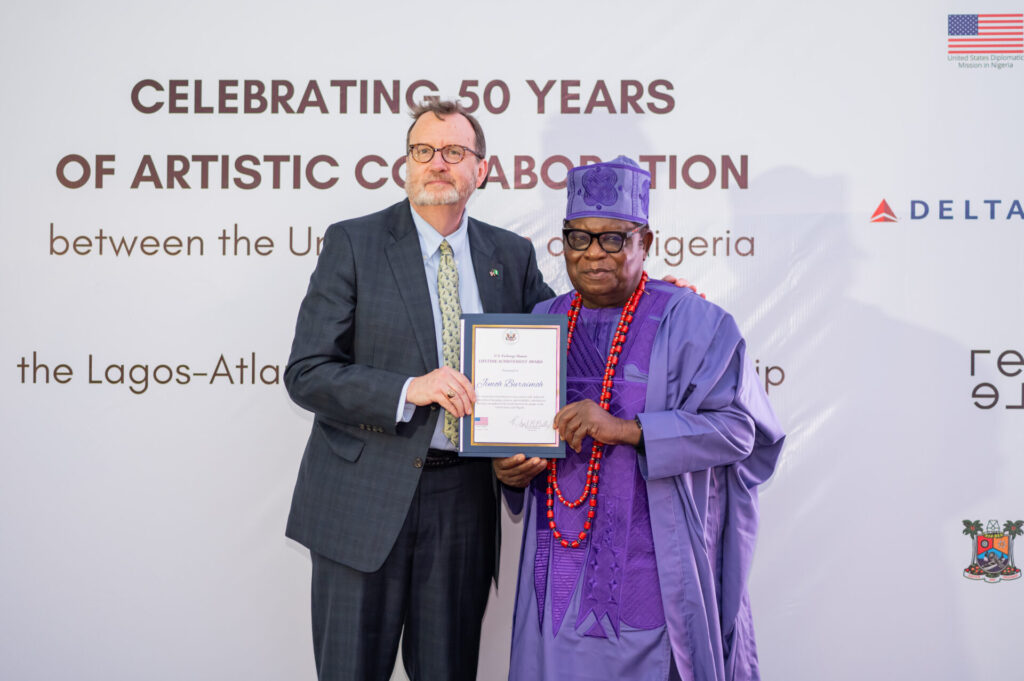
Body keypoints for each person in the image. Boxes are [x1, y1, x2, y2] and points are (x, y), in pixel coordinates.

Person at [283, 100, 554, 681]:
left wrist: (654, 297)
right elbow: (307, 372)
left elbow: (566, 340)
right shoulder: (354, 243)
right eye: (423, 151)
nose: (437, 164)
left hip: (462, 500)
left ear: (480, 170)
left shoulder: (511, 254)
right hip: (360, 502)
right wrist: (411, 388)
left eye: (454, 152)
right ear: (405, 164)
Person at [494, 156, 786, 681]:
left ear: (644, 242)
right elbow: (518, 432)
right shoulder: (542, 322)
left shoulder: (696, 320)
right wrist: (509, 470)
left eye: (613, 238)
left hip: (651, 567)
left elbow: (740, 431)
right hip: (557, 568)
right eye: (578, 238)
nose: (593, 254)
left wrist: (629, 431)